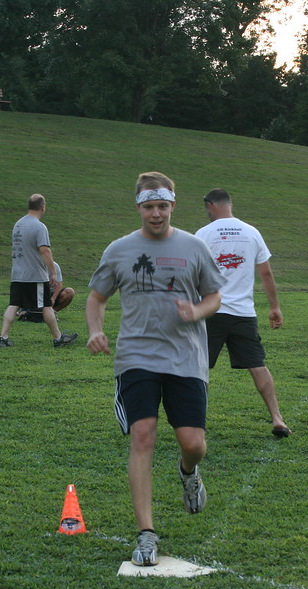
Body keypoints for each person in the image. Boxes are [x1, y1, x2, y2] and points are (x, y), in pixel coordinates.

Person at [86, 172, 223, 566]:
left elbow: (215, 295)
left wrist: (197, 309)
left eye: (162, 206)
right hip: (136, 356)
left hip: (186, 358)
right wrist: (96, 329)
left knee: (194, 443)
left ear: (173, 206)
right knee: (143, 436)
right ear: (139, 208)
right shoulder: (119, 250)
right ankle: (146, 534)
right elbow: (97, 298)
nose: (156, 213)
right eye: (149, 206)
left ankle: (188, 472)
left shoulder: (194, 247)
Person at [196, 189, 290, 437]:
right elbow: (266, 273)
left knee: (199, 368)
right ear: (230, 204)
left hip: (211, 311)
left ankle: (196, 423)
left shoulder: (203, 234)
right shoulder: (252, 232)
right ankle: (277, 419)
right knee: (257, 365)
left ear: (210, 205)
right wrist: (274, 307)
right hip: (243, 314)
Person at [0, 194, 78, 348]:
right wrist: (53, 272)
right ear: (43, 207)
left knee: (13, 304)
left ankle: (3, 337)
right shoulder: (39, 226)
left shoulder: (18, 224)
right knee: (46, 306)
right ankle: (58, 338)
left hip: (17, 274)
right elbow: (45, 251)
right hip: (34, 275)